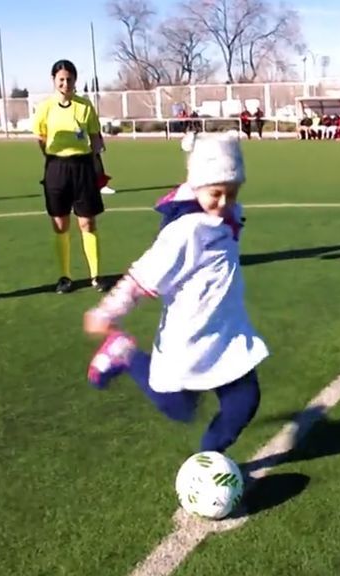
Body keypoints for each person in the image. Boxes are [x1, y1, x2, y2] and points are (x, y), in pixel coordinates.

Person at [81, 133, 267, 455]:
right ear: (196, 187)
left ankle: (210, 457)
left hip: (227, 331)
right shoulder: (184, 231)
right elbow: (143, 275)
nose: (224, 203)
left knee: (245, 401)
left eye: (232, 193)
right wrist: (108, 312)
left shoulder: (231, 215)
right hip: (189, 336)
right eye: (215, 193)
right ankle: (123, 352)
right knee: (180, 407)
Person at [32, 59, 109, 294]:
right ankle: (65, 277)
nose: (65, 83)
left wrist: (96, 160)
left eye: (69, 79)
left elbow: (95, 138)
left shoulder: (85, 106)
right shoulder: (45, 107)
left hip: (83, 167)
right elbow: (41, 138)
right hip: (56, 168)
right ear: (54, 81)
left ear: (75, 80)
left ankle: (96, 276)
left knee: (87, 222)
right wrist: (55, 158)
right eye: (61, 79)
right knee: (60, 223)